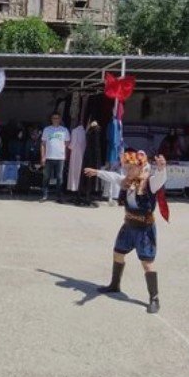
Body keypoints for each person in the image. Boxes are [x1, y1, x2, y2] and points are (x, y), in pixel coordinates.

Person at [84, 150, 167, 314]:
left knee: (147, 263)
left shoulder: (149, 183)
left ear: (140, 166)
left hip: (144, 230)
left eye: (130, 168)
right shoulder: (127, 182)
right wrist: (97, 172)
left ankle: (154, 298)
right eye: (126, 168)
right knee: (117, 253)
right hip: (129, 226)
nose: (127, 171)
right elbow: (113, 177)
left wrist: (161, 168)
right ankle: (115, 285)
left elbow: (160, 179)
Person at [41, 113, 70, 203]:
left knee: (59, 177)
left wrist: (64, 153)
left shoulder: (64, 130)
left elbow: (67, 143)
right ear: (51, 119)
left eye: (57, 118)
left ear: (60, 119)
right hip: (49, 157)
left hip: (60, 157)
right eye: (54, 118)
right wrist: (43, 156)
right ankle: (45, 195)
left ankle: (59, 196)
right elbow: (43, 144)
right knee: (46, 177)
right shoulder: (47, 129)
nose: (55, 119)